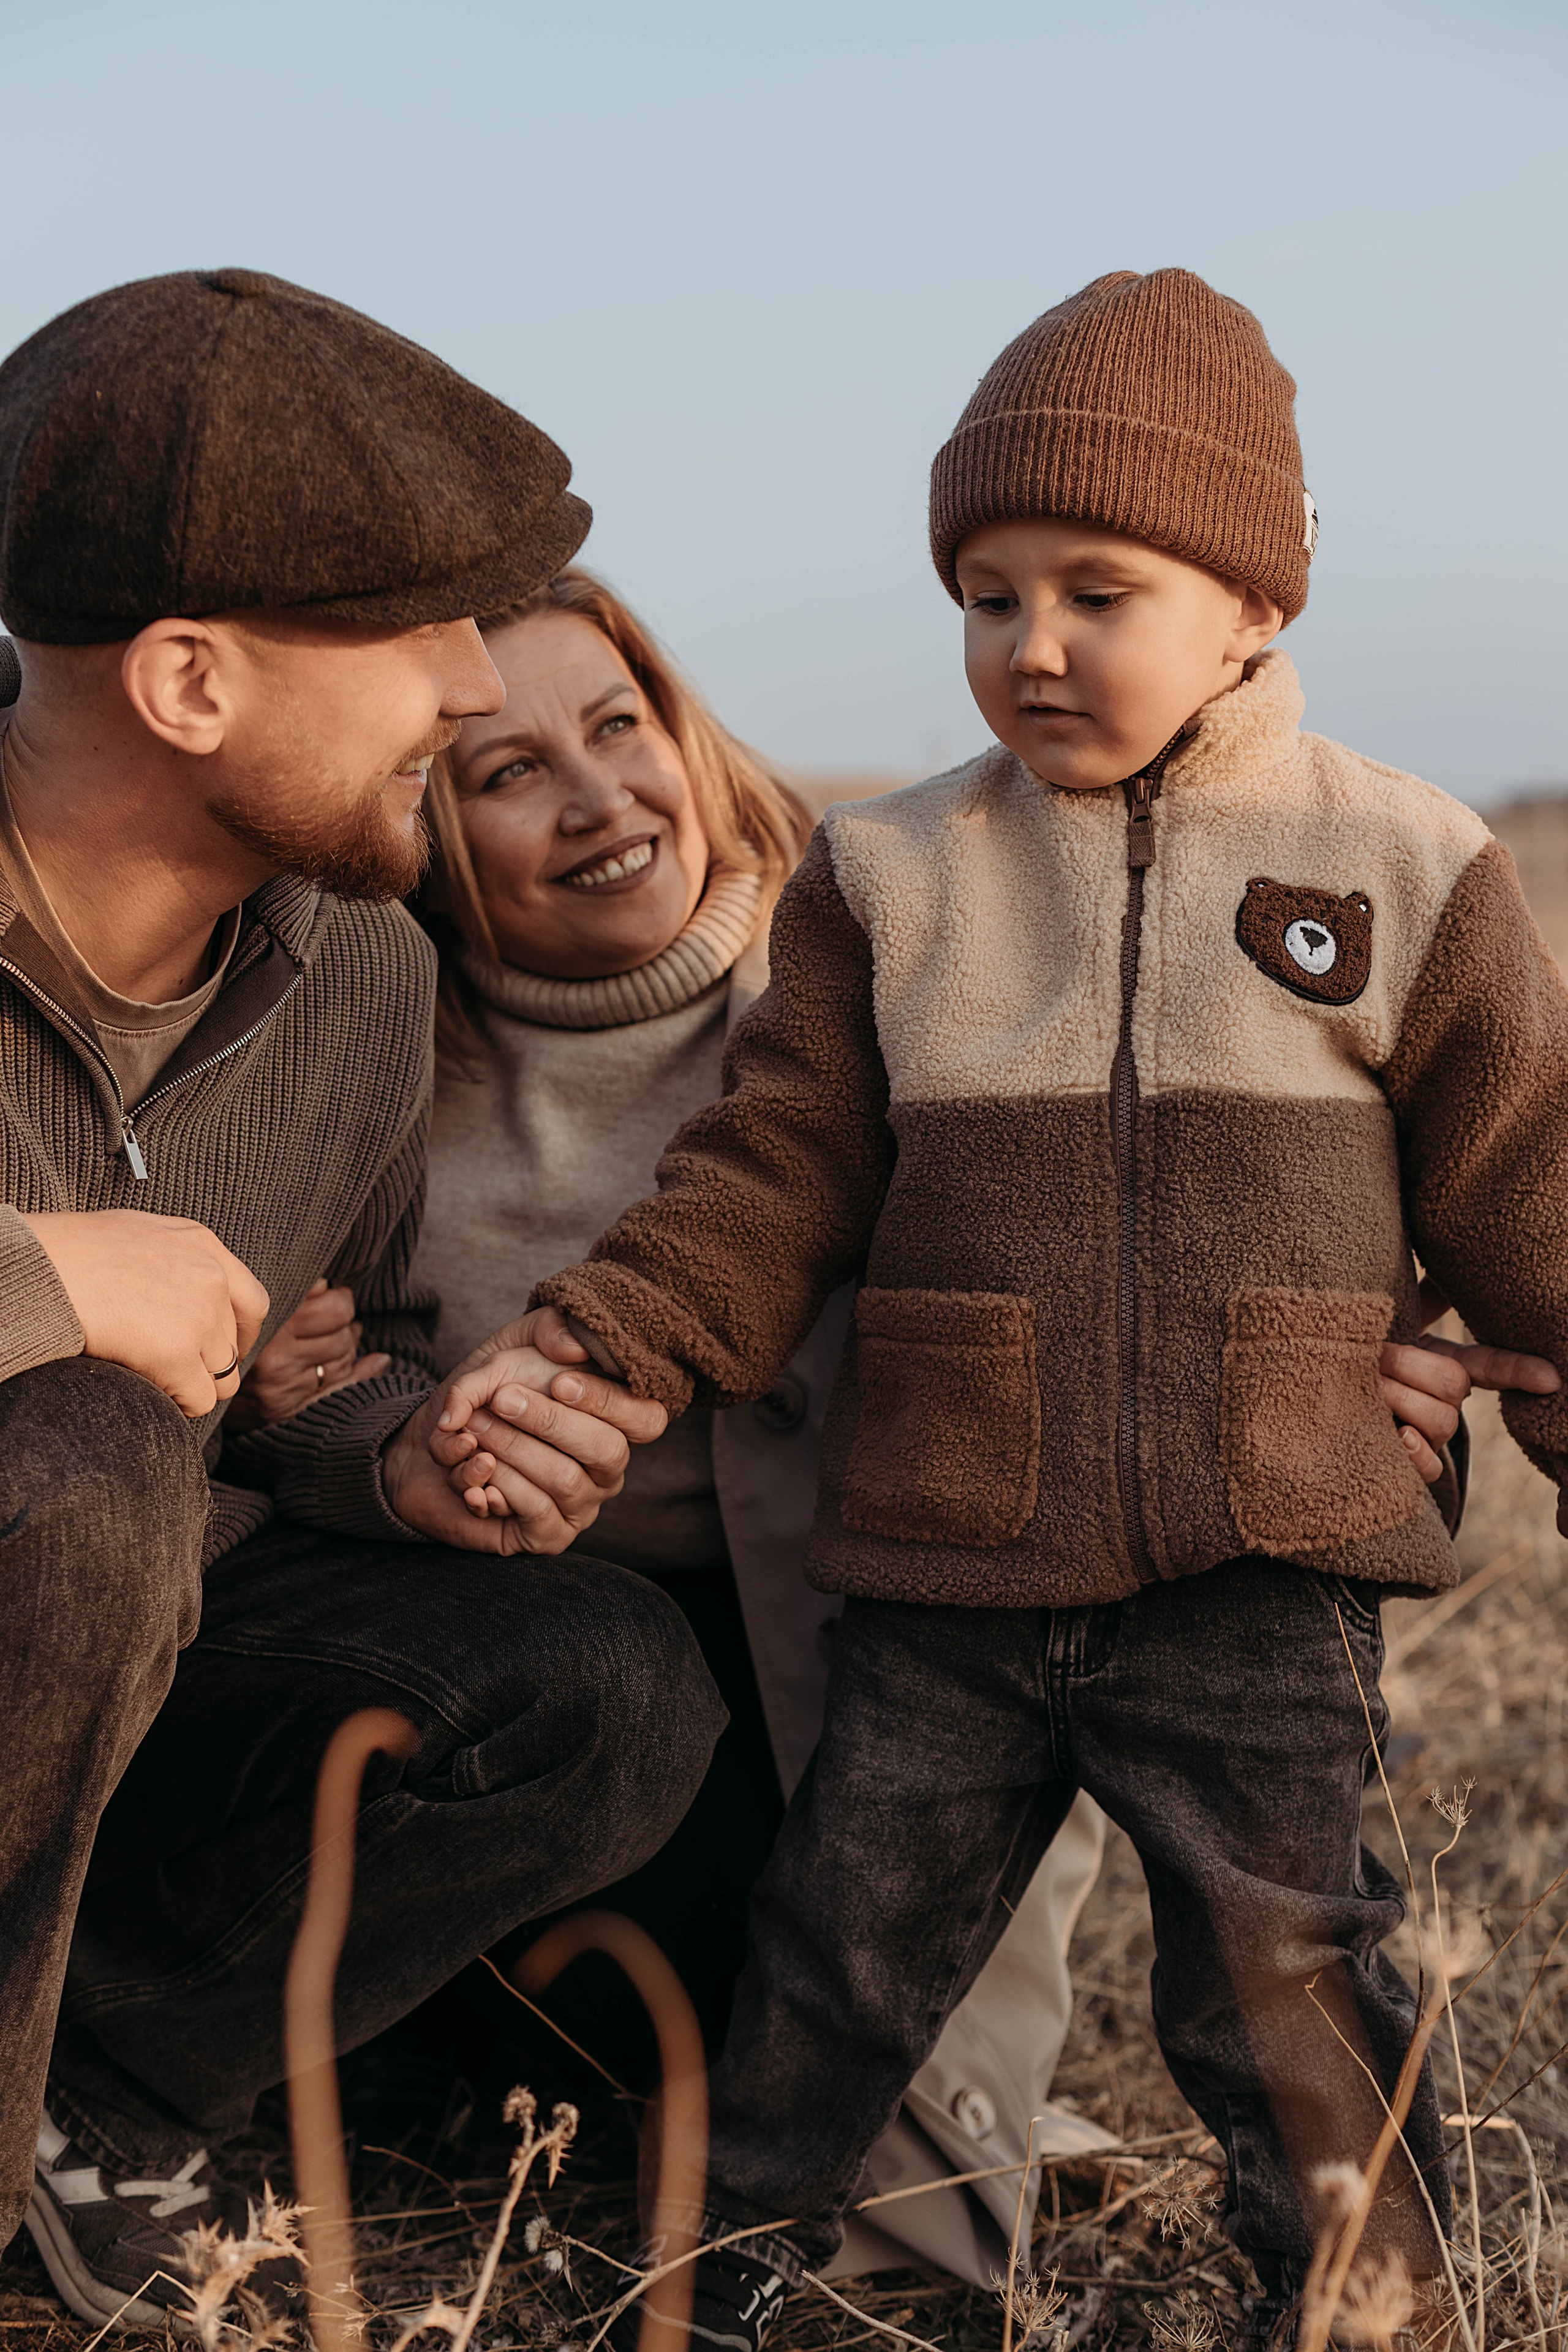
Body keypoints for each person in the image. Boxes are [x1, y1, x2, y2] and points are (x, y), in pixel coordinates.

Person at [432, 270, 1568, 2346]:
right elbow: (774, 1176)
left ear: (1251, 606)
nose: (1030, 644)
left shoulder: (1404, 862)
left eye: (1095, 594)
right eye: (986, 594)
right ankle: (705, 2281)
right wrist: (604, 1341)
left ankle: (1376, 2306)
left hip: (1264, 1564)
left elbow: (1525, 1187)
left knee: (1286, 1971)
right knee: (839, 1951)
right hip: (953, 1561)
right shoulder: (893, 879)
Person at [0, 268, 723, 2334]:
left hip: (146, 1654)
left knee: (606, 1681)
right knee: (76, 1457)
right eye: (419, 630)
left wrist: (394, 1459)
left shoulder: (364, 967)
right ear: (189, 681)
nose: (467, 685)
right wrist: (42, 1277)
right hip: (49, 1567)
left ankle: (101, 2093)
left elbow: (314, 1364)